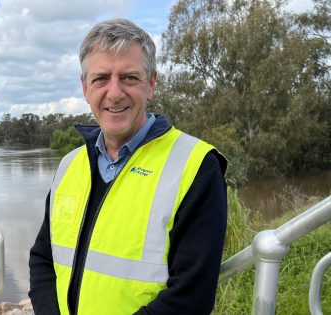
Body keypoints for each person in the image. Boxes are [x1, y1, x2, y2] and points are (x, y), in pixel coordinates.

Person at [28, 18, 228, 315]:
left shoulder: (196, 166)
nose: (115, 92)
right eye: (101, 78)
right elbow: (43, 258)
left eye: (129, 77)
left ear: (151, 84)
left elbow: (192, 296)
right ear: (85, 88)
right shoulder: (70, 165)